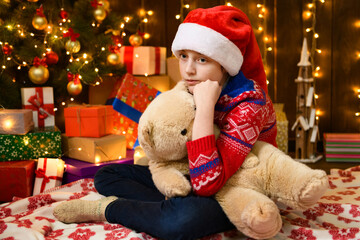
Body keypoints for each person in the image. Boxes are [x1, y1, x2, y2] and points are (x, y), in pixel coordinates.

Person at [54, 5, 277, 240]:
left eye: (201, 59)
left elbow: (207, 185)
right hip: (196, 175)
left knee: (180, 221)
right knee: (107, 175)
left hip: (240, 189)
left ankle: (111, 209)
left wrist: (204, 108)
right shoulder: (197, 83)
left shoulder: (249, 105)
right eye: (183, 57)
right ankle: (170, 206)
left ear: (224, 64)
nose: (189, 70)